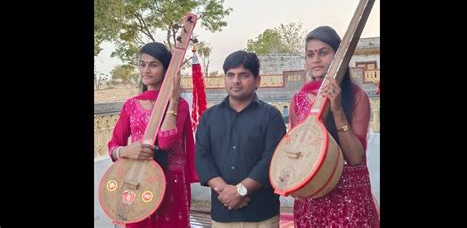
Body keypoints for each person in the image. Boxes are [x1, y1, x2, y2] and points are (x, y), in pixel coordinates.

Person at [289, 26, 379, 227]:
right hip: (312, 196)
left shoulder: (356, 97)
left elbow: (355, 157)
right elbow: (296, 152)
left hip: (349, 197)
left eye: (323, 52)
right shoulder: (298, 100)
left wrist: (337, 110)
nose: (316, 59)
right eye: (310, 54)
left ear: (339, 57)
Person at [107, 42, 199, 228]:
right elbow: (113, 146)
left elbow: (165, 142)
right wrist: (125, 151)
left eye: (153, 64)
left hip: (171, 182)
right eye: (142, 64)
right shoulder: (131, 105)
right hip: (138, 180)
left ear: (166, 69)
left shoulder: (180, 105)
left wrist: (172, 101)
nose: (146, 70)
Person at [195, 50, 287, 227]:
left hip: (261, 215)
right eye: (230, 75)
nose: (235, 81)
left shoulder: (271, 116)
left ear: (257, 81)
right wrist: (226, 192)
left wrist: (240, 191)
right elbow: (202, 157)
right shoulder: (209, 117)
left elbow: (271, 160)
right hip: (223, 213)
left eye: (243, 75)